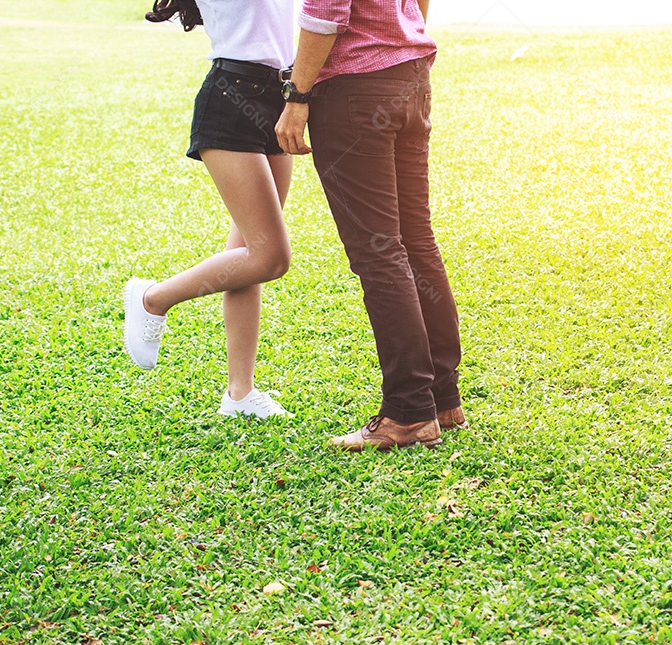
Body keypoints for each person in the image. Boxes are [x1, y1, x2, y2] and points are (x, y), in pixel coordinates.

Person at [276, 0, 466, 451]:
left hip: (355, 89)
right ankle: (441, 399)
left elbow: (324, 13)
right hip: (409, 74)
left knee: (379, 251)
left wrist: (297, 95)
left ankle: (408, 413)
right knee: (415, 240)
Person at [123, 0, 296, 419]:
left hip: (284, 97)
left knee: (248, 254)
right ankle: (152, 298)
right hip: (233, 97)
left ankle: (239, 394)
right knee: (269, 256)